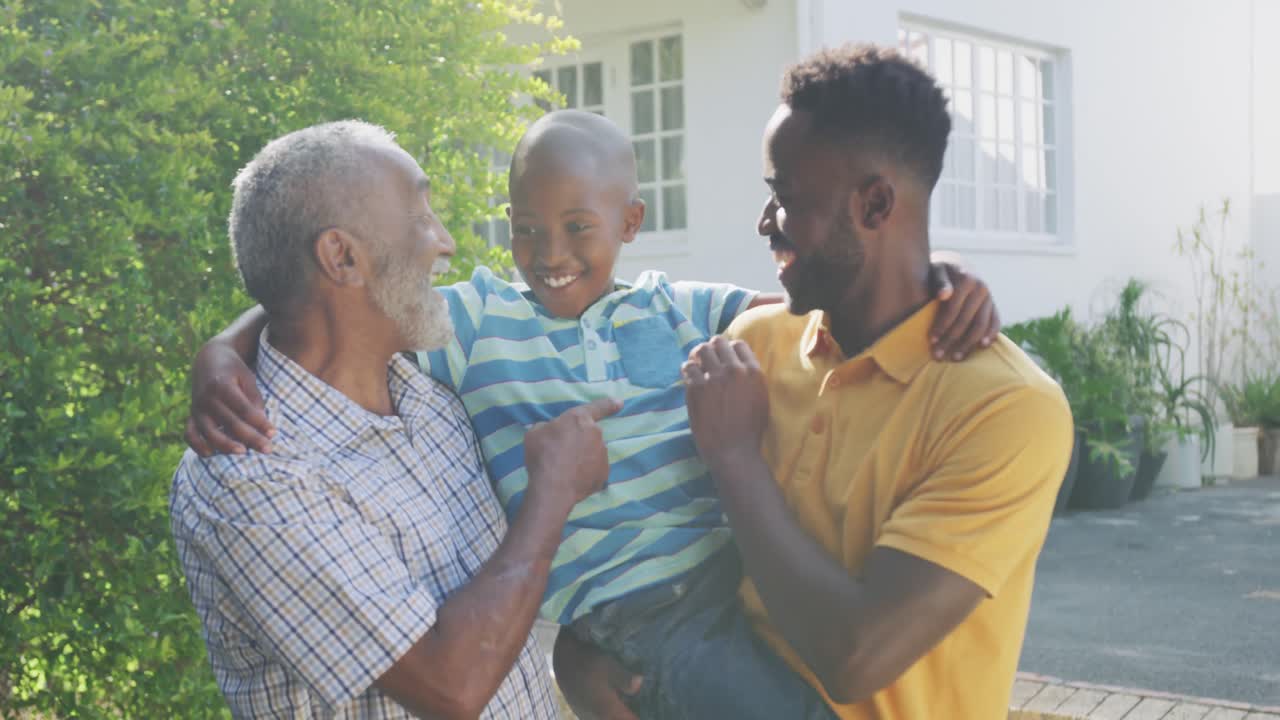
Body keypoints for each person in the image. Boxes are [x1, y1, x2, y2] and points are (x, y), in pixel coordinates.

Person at [186, 111, 1001, 718]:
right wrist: (224, 351)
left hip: (726, 585)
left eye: (578, 228)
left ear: (629, 225)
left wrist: (929, 280)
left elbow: (814, 312)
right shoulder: (445, 348)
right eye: (525, 230)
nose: (445, 241)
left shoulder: (434, 391)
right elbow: (315, 309)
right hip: (652, 625)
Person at [673, 45, 1074, 719]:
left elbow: (855, 656)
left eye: (784, 198)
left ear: (876, 203)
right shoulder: (751, 351)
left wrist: (737, 459)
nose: (764, 223)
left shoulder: (1006, 409)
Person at [170, 120, 621, 719]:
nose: (446, 241)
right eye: (420, 216)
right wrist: (553, 494)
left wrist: (224, 344)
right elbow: (450, 687)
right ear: (342, 256)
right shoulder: (249, 477)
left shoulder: (429, 390)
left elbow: (302, 302)